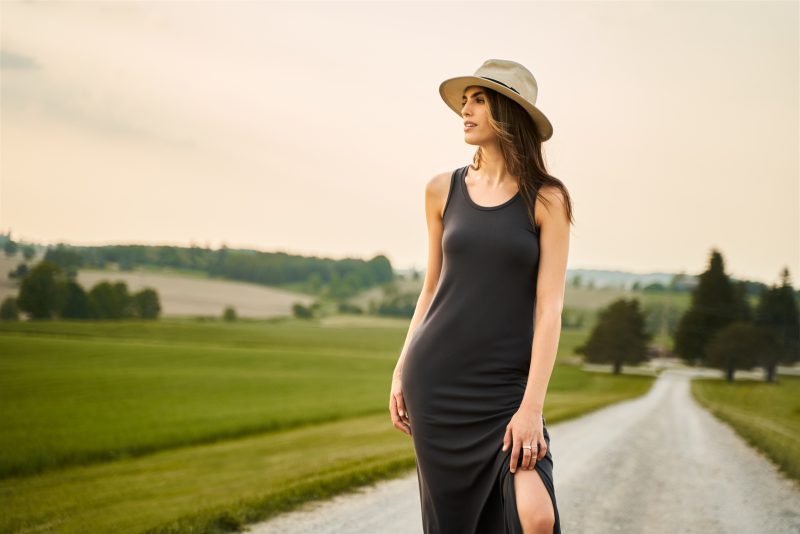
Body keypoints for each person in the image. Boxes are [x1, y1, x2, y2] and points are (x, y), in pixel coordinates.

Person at [389, 59, 574, 534]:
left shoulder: (547, 198)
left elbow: (549, 307)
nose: (465, 111)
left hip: (504, 388)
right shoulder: (440, 190)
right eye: (464, 101)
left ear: (508, 113)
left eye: (478, 101)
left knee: (536, 517)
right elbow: (431, 289)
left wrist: (531, 407)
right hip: (437, 381)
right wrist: (400, 368)